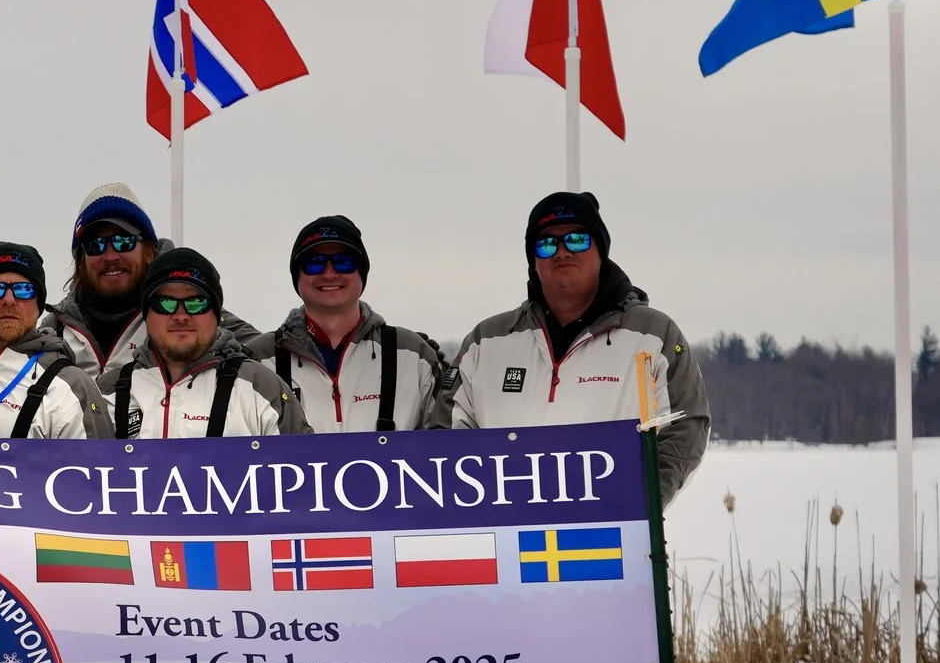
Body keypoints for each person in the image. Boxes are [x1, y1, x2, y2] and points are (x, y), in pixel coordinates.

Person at [451, 192, 710, 504]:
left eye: (576, 240)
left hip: (615, 539)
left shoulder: (654, 335)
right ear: (533, 260)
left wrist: (644, 504)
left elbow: (684, 429)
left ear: (600, 249)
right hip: (507, 538)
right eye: (546, 244)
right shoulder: (487, 341)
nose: (561, 251)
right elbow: (444, 437)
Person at [247, 216, 453, 433]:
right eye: (314, 264)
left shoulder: (413, 355)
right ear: (297, 276)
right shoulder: (258, 361)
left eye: (343, 262)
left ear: (362, 273)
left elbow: (451, 446)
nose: (329, 274)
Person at [101, 249, 304, 439]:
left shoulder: (261, 387)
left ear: (217, 315)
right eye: (165, 303)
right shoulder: (109, 391)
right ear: (146, 315)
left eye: (196, 303)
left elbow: (306, 469)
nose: (181, 316)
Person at [0, 242, 105, 439]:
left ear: (38, 305)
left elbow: (96, 467)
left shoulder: (72, 386)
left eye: (23, 289)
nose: (9, 299)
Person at [40, 184, 161, 373]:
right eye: (95, 245)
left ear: (149, 252)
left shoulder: (184, 317)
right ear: (81, 260)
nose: (111, 256)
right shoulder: (55, 331)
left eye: (124, 242)